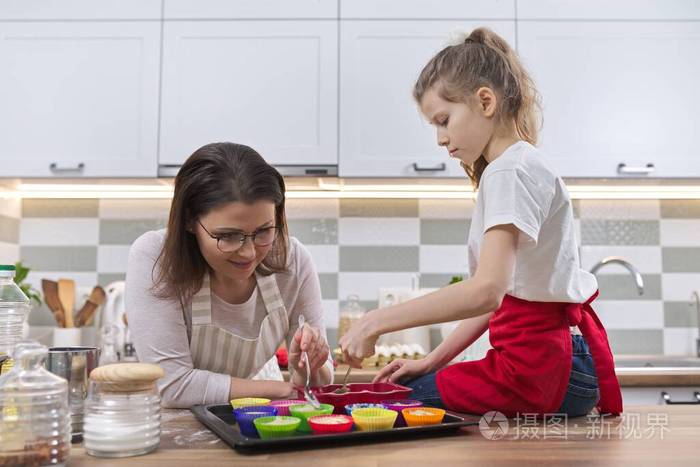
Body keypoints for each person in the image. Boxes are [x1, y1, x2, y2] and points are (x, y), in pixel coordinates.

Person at [339, 28, 622, 418]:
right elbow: (498, 301)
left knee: (393, 401)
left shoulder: (509, 172)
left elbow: (486, 291)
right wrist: (433, 360)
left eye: (443, 119)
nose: (440, 138)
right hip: (560, 366)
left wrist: (374, 322)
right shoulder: (520, 164)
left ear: (485, 101)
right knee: (412, 387)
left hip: (538, 371)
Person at [126, 142, 333, 408]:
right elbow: (173, 385)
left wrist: (308, 367)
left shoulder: (291, 259)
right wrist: (283, 390)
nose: (248, 253)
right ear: (190, 220)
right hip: (181, 423)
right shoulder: (155, 257)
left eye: (263, 231)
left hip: (260, 416)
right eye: (227, 236)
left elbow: (319, 382)